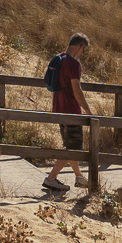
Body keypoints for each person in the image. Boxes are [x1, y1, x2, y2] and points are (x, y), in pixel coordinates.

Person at [44, 34, 91, 193]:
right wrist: (88, 110)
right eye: (82, 50)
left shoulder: (58, 59)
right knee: (73, 150)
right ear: (80, 47)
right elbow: (77, 90)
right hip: (71, 111)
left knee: (70, 145)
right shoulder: (73, 64)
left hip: (59, 110)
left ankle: (79, 177)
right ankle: (50, 179)